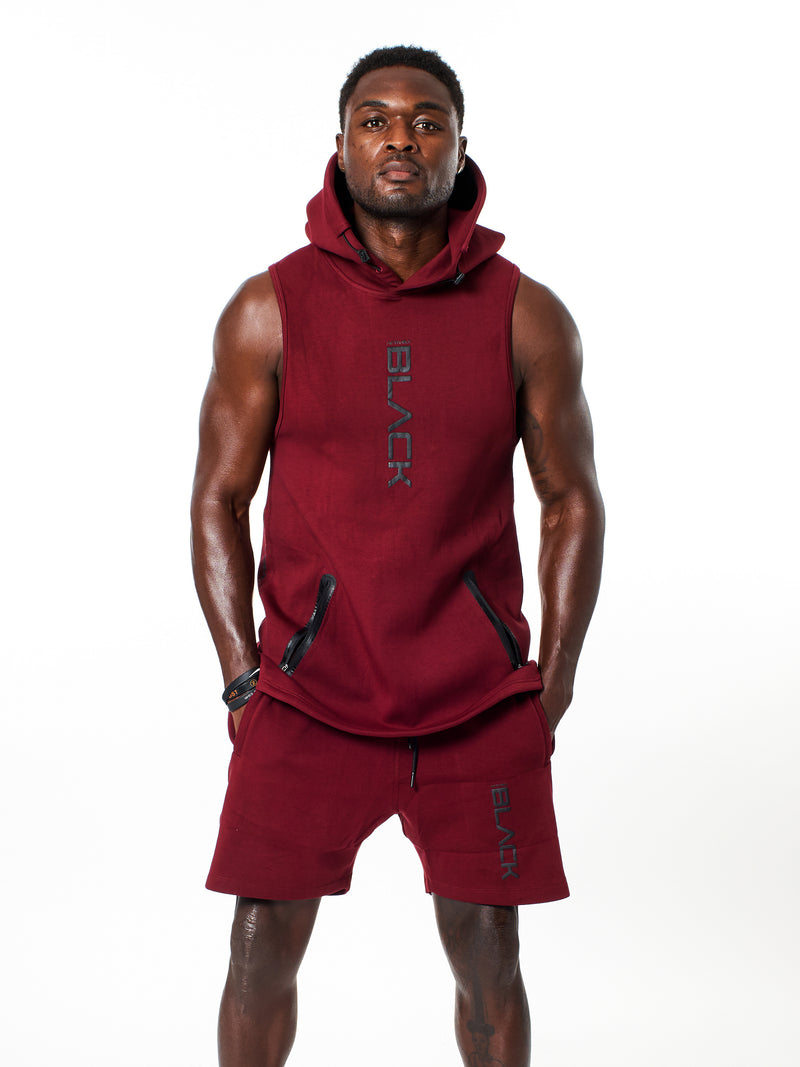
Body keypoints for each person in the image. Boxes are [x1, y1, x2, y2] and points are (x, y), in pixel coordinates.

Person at [191, 44, 604, 1067]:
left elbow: (570, 501)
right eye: (374, 120)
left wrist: (550, 682)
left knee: (490, 959)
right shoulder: (267, 308)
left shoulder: (526, 314)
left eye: (426, 121)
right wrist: (241, 673)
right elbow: (218, 498)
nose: (400, 139)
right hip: (309, 693)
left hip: (475, 701)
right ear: (340, 146)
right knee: (257, 954)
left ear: (460, 148)